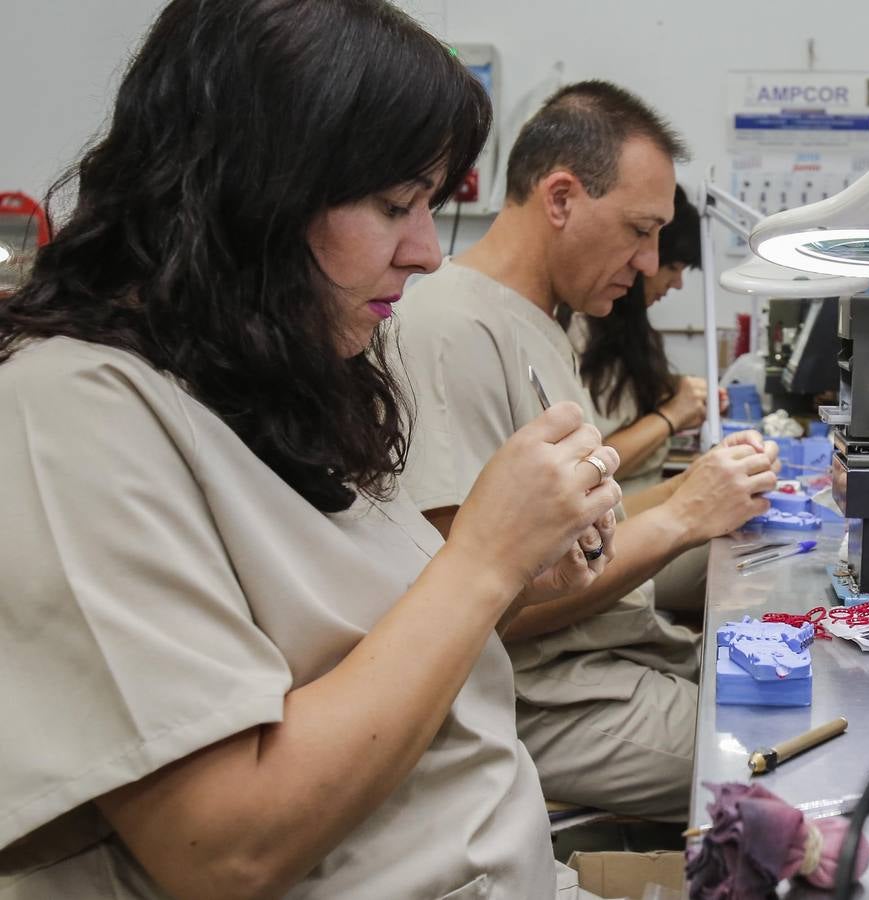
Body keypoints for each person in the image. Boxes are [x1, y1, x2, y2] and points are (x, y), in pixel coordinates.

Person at [0, 2, 621, 898]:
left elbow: (350, 644)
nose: (425, 253)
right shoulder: (68, 406)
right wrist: (481, 560)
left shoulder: (260, 373)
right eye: (394, 204)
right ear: (251, 189)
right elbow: (223, 849)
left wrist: (518, 564)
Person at [396, 81, 779, 821]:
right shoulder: (449, 332)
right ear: (562, 198)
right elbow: (475, 615)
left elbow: (575, 533)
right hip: (539, 696)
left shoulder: (546, 322)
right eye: (639, 231)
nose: (647, 263)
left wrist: (691, 490)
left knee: (799, 690)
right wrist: (679, 519)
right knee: (780, 759)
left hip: (600, 658)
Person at [564, 184, 723, 610]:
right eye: (672, 266)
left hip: (639, 506)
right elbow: (591, 467)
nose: (673, 281)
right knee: (734, 570)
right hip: (617, 524)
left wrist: (673, 389)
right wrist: (671, 416)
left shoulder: (620, 336)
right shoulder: (576, 335)